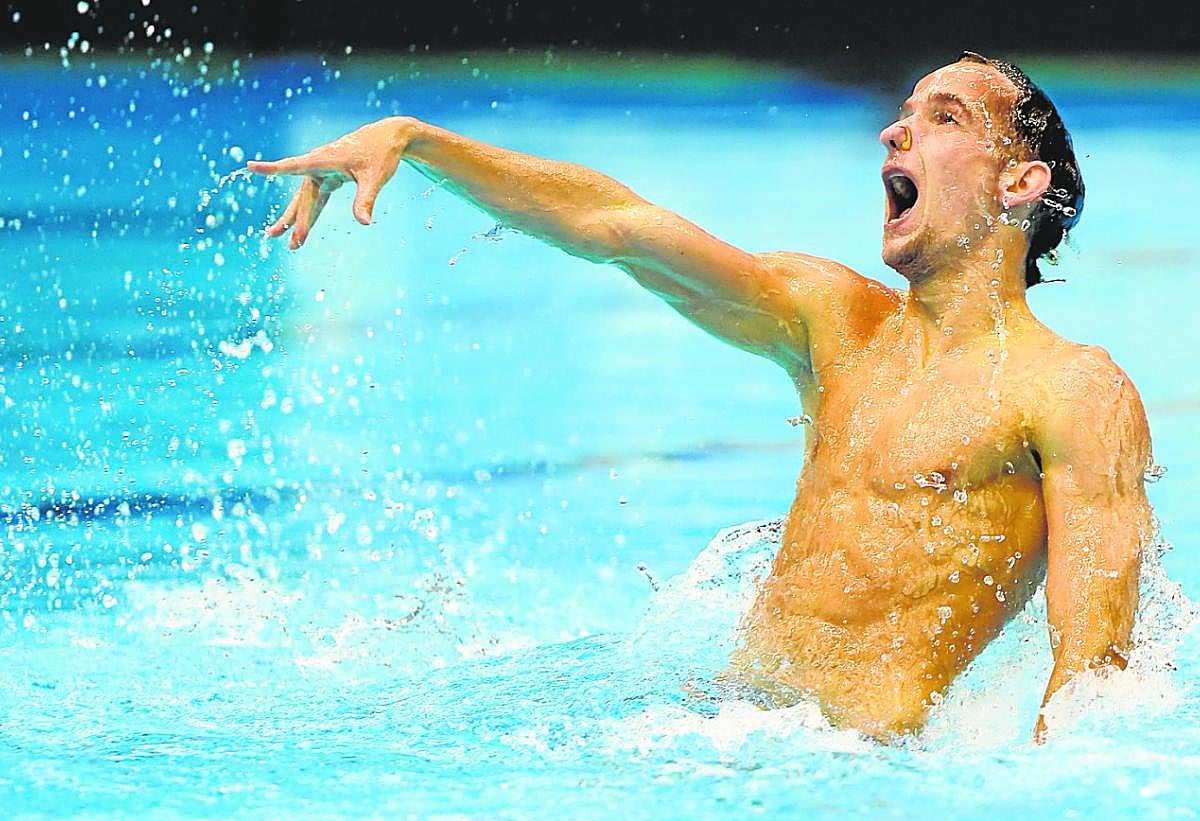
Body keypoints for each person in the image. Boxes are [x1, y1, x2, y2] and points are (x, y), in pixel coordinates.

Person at [247, 51, 1155, 742]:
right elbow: (620, 228)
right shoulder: (837, 322)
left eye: (944, 117)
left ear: (1019, 184)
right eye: (903, 113)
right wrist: (415, 141)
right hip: (712, 728)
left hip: (858, 777)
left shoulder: (1072, 391)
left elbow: (1093, 682)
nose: (895, 131)